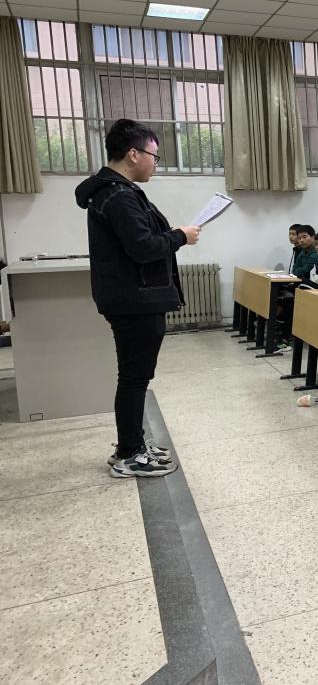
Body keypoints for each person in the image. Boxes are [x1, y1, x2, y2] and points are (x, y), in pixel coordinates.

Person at [75, 118, 200, 478]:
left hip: (133, 297)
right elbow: (143, 248)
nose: (155, 164)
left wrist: (173, 235)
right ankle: (129, 453)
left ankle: (133, 444)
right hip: (135, 300)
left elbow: (139, 240)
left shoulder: (116, 192)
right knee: (133, 378)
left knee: (135, 376)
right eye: (154, 156)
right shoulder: (118, 195)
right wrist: (180, 236)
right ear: (133, 154)